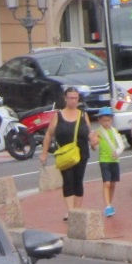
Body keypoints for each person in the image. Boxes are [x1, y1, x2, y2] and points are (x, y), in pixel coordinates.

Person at [40, 86, 97, 219]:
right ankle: (71, 211)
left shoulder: (83, 115)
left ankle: (77, 210)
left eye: (75, 98)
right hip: (64, 153)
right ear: (65, 99)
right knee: (68, 180)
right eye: (70, 98)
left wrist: (93, 140)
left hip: (81, 153)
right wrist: (44, 153)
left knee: (78, 180)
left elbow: (90, 132)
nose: (73, 101)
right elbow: (48, 135)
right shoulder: (58, 116)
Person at [92, 107, 125, 217]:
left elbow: (121, 145)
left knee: (113, 183)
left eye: (108, 120)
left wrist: (118, 152)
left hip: (114, 160)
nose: (106, 123)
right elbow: (95, 147)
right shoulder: (98, 132)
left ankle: (109, 203)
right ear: (99, 121)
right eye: (104, 121)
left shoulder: (114, 131)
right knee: (106, 183)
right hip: (104, 160)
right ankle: (107, 206)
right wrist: (93, 143)